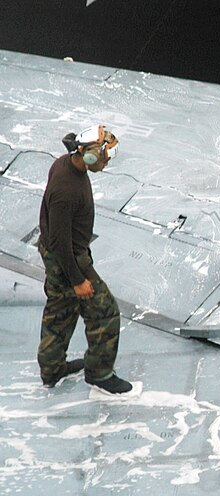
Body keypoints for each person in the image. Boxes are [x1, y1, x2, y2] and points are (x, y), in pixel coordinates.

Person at [37, 124, 133, 394]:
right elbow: (60, 242)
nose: (106, 162)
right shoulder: (66, 191)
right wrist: (78, 279)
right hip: (68, 260)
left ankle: (52, 369)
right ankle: (100, 375)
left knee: (61, 312)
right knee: (105, 313)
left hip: (59, 256)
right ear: (89, 155)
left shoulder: (65, 165)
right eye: (105, 156)